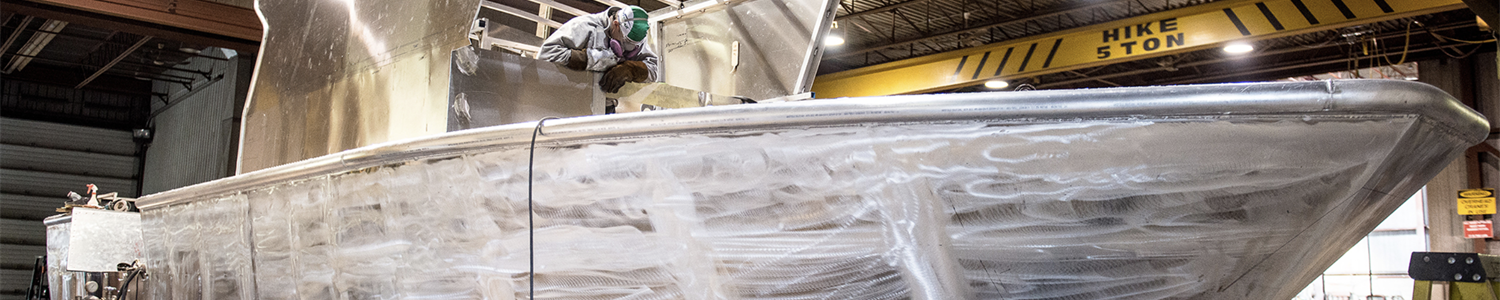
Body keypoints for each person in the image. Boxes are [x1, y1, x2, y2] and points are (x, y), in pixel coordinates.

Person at [540, 5, 659, 93]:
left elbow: (654, 70)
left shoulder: (639, 38)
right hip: (572, 99)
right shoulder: (584, 26)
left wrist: (631, 69)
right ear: (616, 24)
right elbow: (547, 53)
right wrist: (593, 59)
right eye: (627, 40)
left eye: (634, 43)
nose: (630, 47)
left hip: (605, 105)